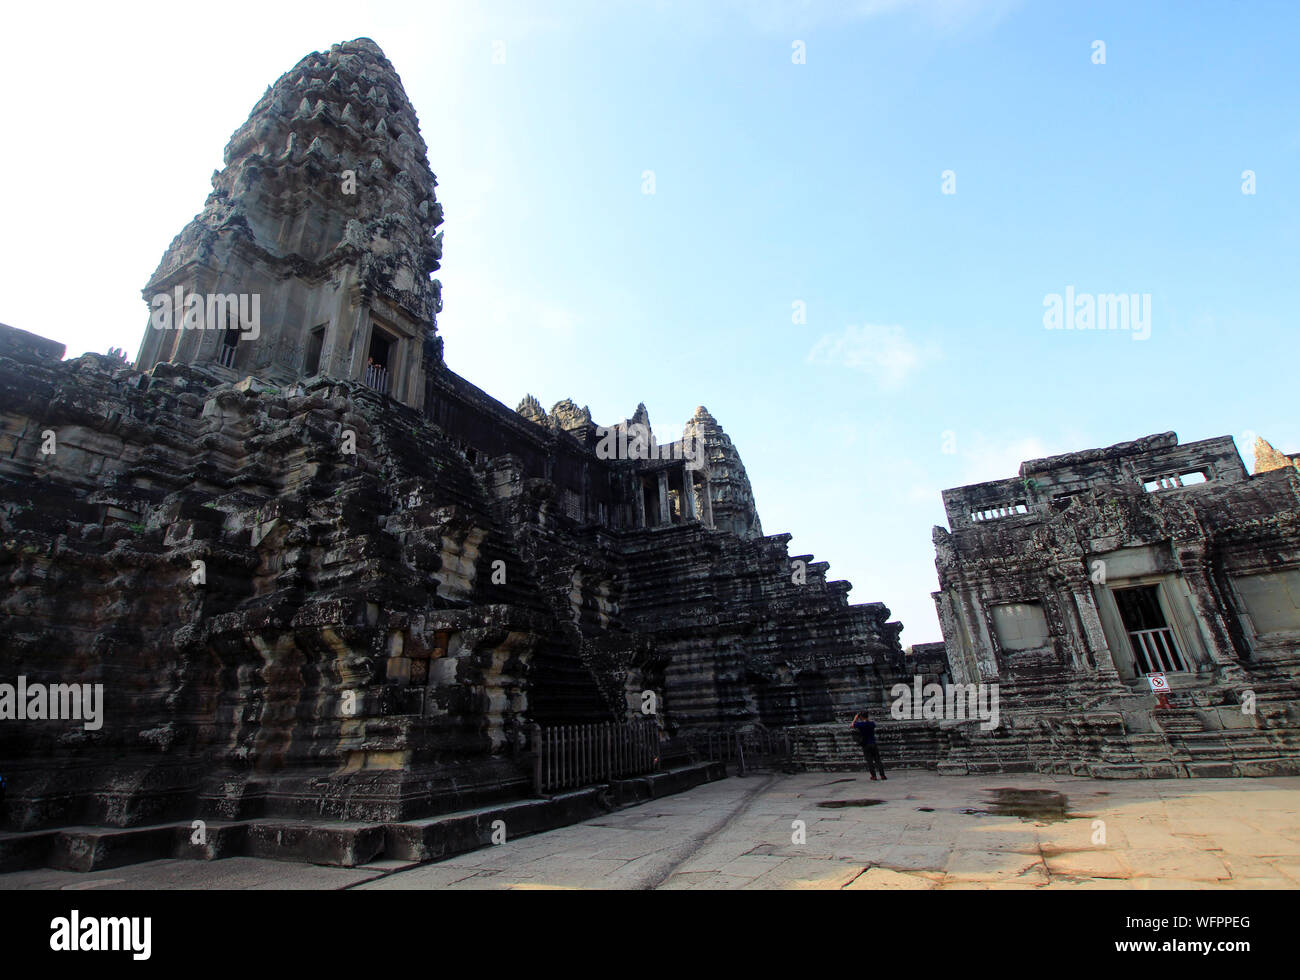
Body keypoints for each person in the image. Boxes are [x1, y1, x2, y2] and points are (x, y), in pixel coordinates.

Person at [850, 711, 886, 780]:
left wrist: (855, 718)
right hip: (873, 743)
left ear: (861, 717)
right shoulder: (872, 724)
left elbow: (852, 725)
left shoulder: (860, 725)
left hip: (865, 744)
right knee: (878, 760)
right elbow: (871, 723)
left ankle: (874, 776)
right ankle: (882, 775)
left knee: (870, 761)